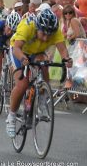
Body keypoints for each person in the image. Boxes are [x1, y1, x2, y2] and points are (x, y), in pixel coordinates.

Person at [6, 9, 73, 138]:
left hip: (37, 52)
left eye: (49, 34)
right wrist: (23, 59)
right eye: (43, 33)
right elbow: (16, 49)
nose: (46, 38)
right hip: (19, 51)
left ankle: (42, 98)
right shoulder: (27, 26)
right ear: (37, 27)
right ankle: (11, 116)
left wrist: (66, 59)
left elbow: (63, 49)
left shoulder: (54, 30)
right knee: (22, 84)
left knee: (44, 63)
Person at [0, 12, 21, 108]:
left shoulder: (17, 31)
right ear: (6, 24)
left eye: (13, 30)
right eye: (9, 28)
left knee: (13, 62)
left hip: (9, 40)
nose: (10, 31)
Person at [61, 5, 86, 88]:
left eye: (70, 12)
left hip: (79, 46)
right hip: (77, 46)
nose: (68, 14)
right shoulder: (69, 21)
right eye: (65, 13)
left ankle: (74, 91)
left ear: (73, 13)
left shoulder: (73, 20)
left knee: (75, 68)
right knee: (75, 68)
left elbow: (78, 34)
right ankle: (72, 90)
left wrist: (69, 38)